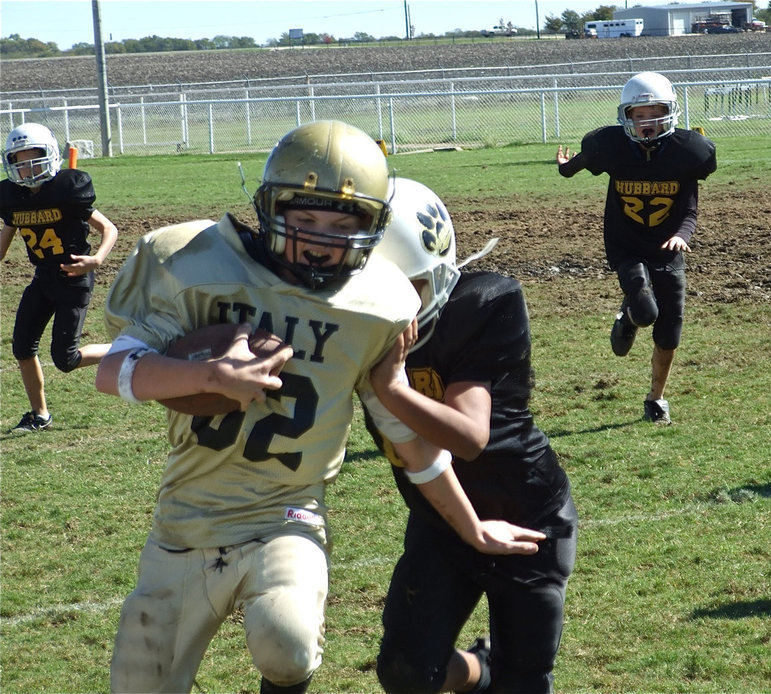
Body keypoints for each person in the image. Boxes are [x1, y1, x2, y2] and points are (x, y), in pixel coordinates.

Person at [94, 120, 542, 694]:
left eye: (341, 223)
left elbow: (408, 445)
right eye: (304, 219)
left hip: (288, 513)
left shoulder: (380, 303)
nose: (320, 238)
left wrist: (473, 527)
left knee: (289, 642)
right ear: (270, 208)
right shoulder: (192, 263)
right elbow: (114, 371)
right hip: (186, 519)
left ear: (372, 226)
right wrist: (207, 376)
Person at [365, 177, 578, 694]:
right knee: (406, 673)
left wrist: (392, 387)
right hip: (439, 515)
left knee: (524, 682)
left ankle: (498, 676)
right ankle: (480, 674)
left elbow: (468, 436)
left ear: (437, 271)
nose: (388, 305)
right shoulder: (354, 321)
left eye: (404, 289)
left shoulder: (486, 301)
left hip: (524, 512)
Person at [556, 71, 717, 425]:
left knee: (669, 332)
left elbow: (690, 207)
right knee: (645, 311)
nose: (647, 121)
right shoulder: (610, 147)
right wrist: (566, 168)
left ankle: (656, 398)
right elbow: (577, 166)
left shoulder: (688, 152)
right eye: (639, 115)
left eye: (654, 112)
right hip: (626, 243)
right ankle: (629, 317)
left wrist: (683, 236)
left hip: (668, 247)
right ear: (627, 117)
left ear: (670, 111)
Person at [1, 122, 118, 433]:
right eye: (20, 162)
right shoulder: (13, 199)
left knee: (65, 359)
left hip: (74, 280)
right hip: (43, 279)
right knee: (22, 347)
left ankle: (126, 348)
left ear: (49, 156)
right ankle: (40, 415)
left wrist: (96, 259)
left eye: (33, 159)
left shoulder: (67, 191)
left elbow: (109, 228)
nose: (27, 169)